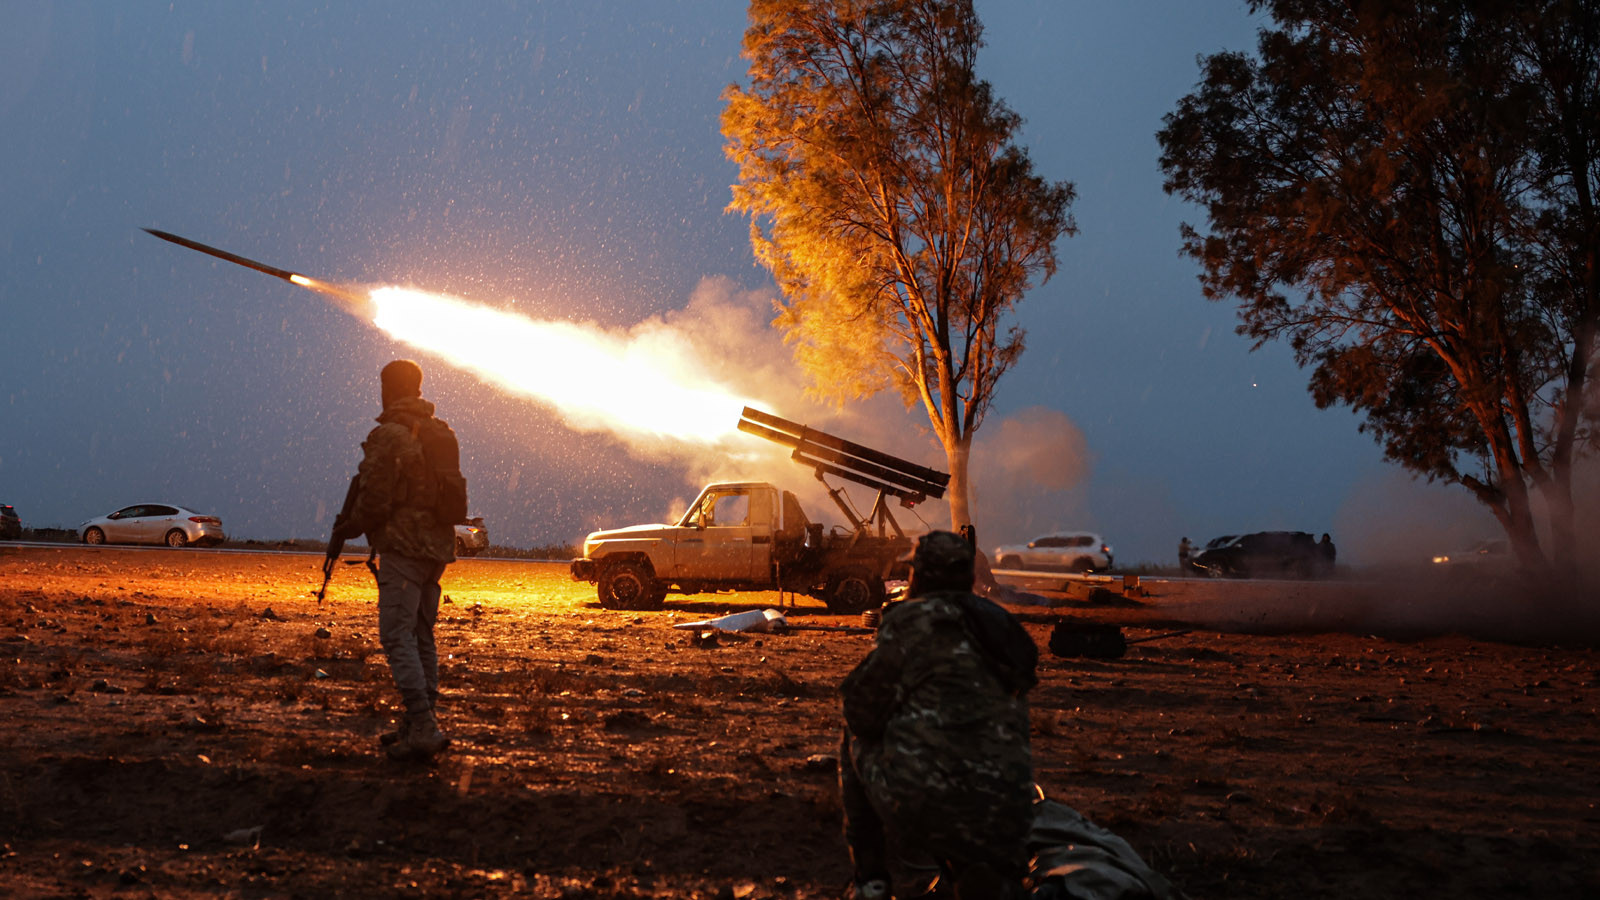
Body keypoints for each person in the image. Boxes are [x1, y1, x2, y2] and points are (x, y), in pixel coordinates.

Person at [839, 531, 1038, 900]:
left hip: (928, 801)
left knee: (853, 737)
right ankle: (985, 872)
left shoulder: (911, 620)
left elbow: (861, 709)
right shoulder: (1003, 627)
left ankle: (871, 882)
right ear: (969, 576)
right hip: (1008, 810)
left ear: (920, 576)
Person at [333, 359, 458, 761]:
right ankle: (418, 722)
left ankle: (422, 726)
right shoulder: (438, 431)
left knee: (396, 636)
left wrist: (349, 528)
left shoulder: (389, 434)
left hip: (404, 549)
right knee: (421, 636)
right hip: (436, 550)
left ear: (389, 389)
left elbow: (375, 499)